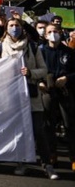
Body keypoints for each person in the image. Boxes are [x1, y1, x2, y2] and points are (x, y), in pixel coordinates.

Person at [0, 18, 57, 180]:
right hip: (11, 97)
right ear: (6, 29)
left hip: (31, 95)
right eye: (11, 26)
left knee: (38, 130)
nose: (15, 28)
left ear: (23, 28)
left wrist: (30, 73)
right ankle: (21, 162)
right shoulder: (0, 47)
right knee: (18, 131)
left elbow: (43, 69)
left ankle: (47, 164)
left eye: (17, 26)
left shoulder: (33, 47)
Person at [39, 23, 75, 172]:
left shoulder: (69, 52)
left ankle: (73, 158)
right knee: (48, 125)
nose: (53, 34)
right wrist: (40, 82)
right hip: (47, 91)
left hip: (65, 91)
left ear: (60, 33)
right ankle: (52, 154)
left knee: (70, 125)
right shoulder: (40, 52)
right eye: (50, 32)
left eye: (56, 31)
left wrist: (67, 78)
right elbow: (37, 69)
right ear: (45, 35)